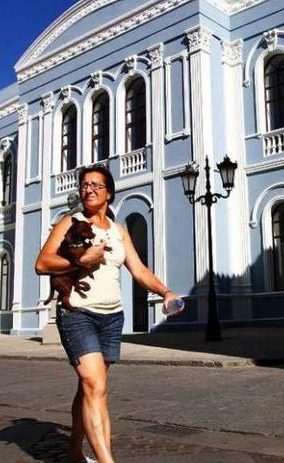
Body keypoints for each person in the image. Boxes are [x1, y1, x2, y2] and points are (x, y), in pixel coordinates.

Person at [35, 165, 181, 463]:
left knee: (88, 387)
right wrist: (80, 261)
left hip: (112, 318)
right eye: (84, 185)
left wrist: (166, 292)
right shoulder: (69, 222)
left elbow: (138, 270)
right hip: (78, 313)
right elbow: (42, 263)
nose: (88, 189)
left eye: (95, 185)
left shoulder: (119, 231)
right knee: (95, 385)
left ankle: (74, 453)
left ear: (109, 193)